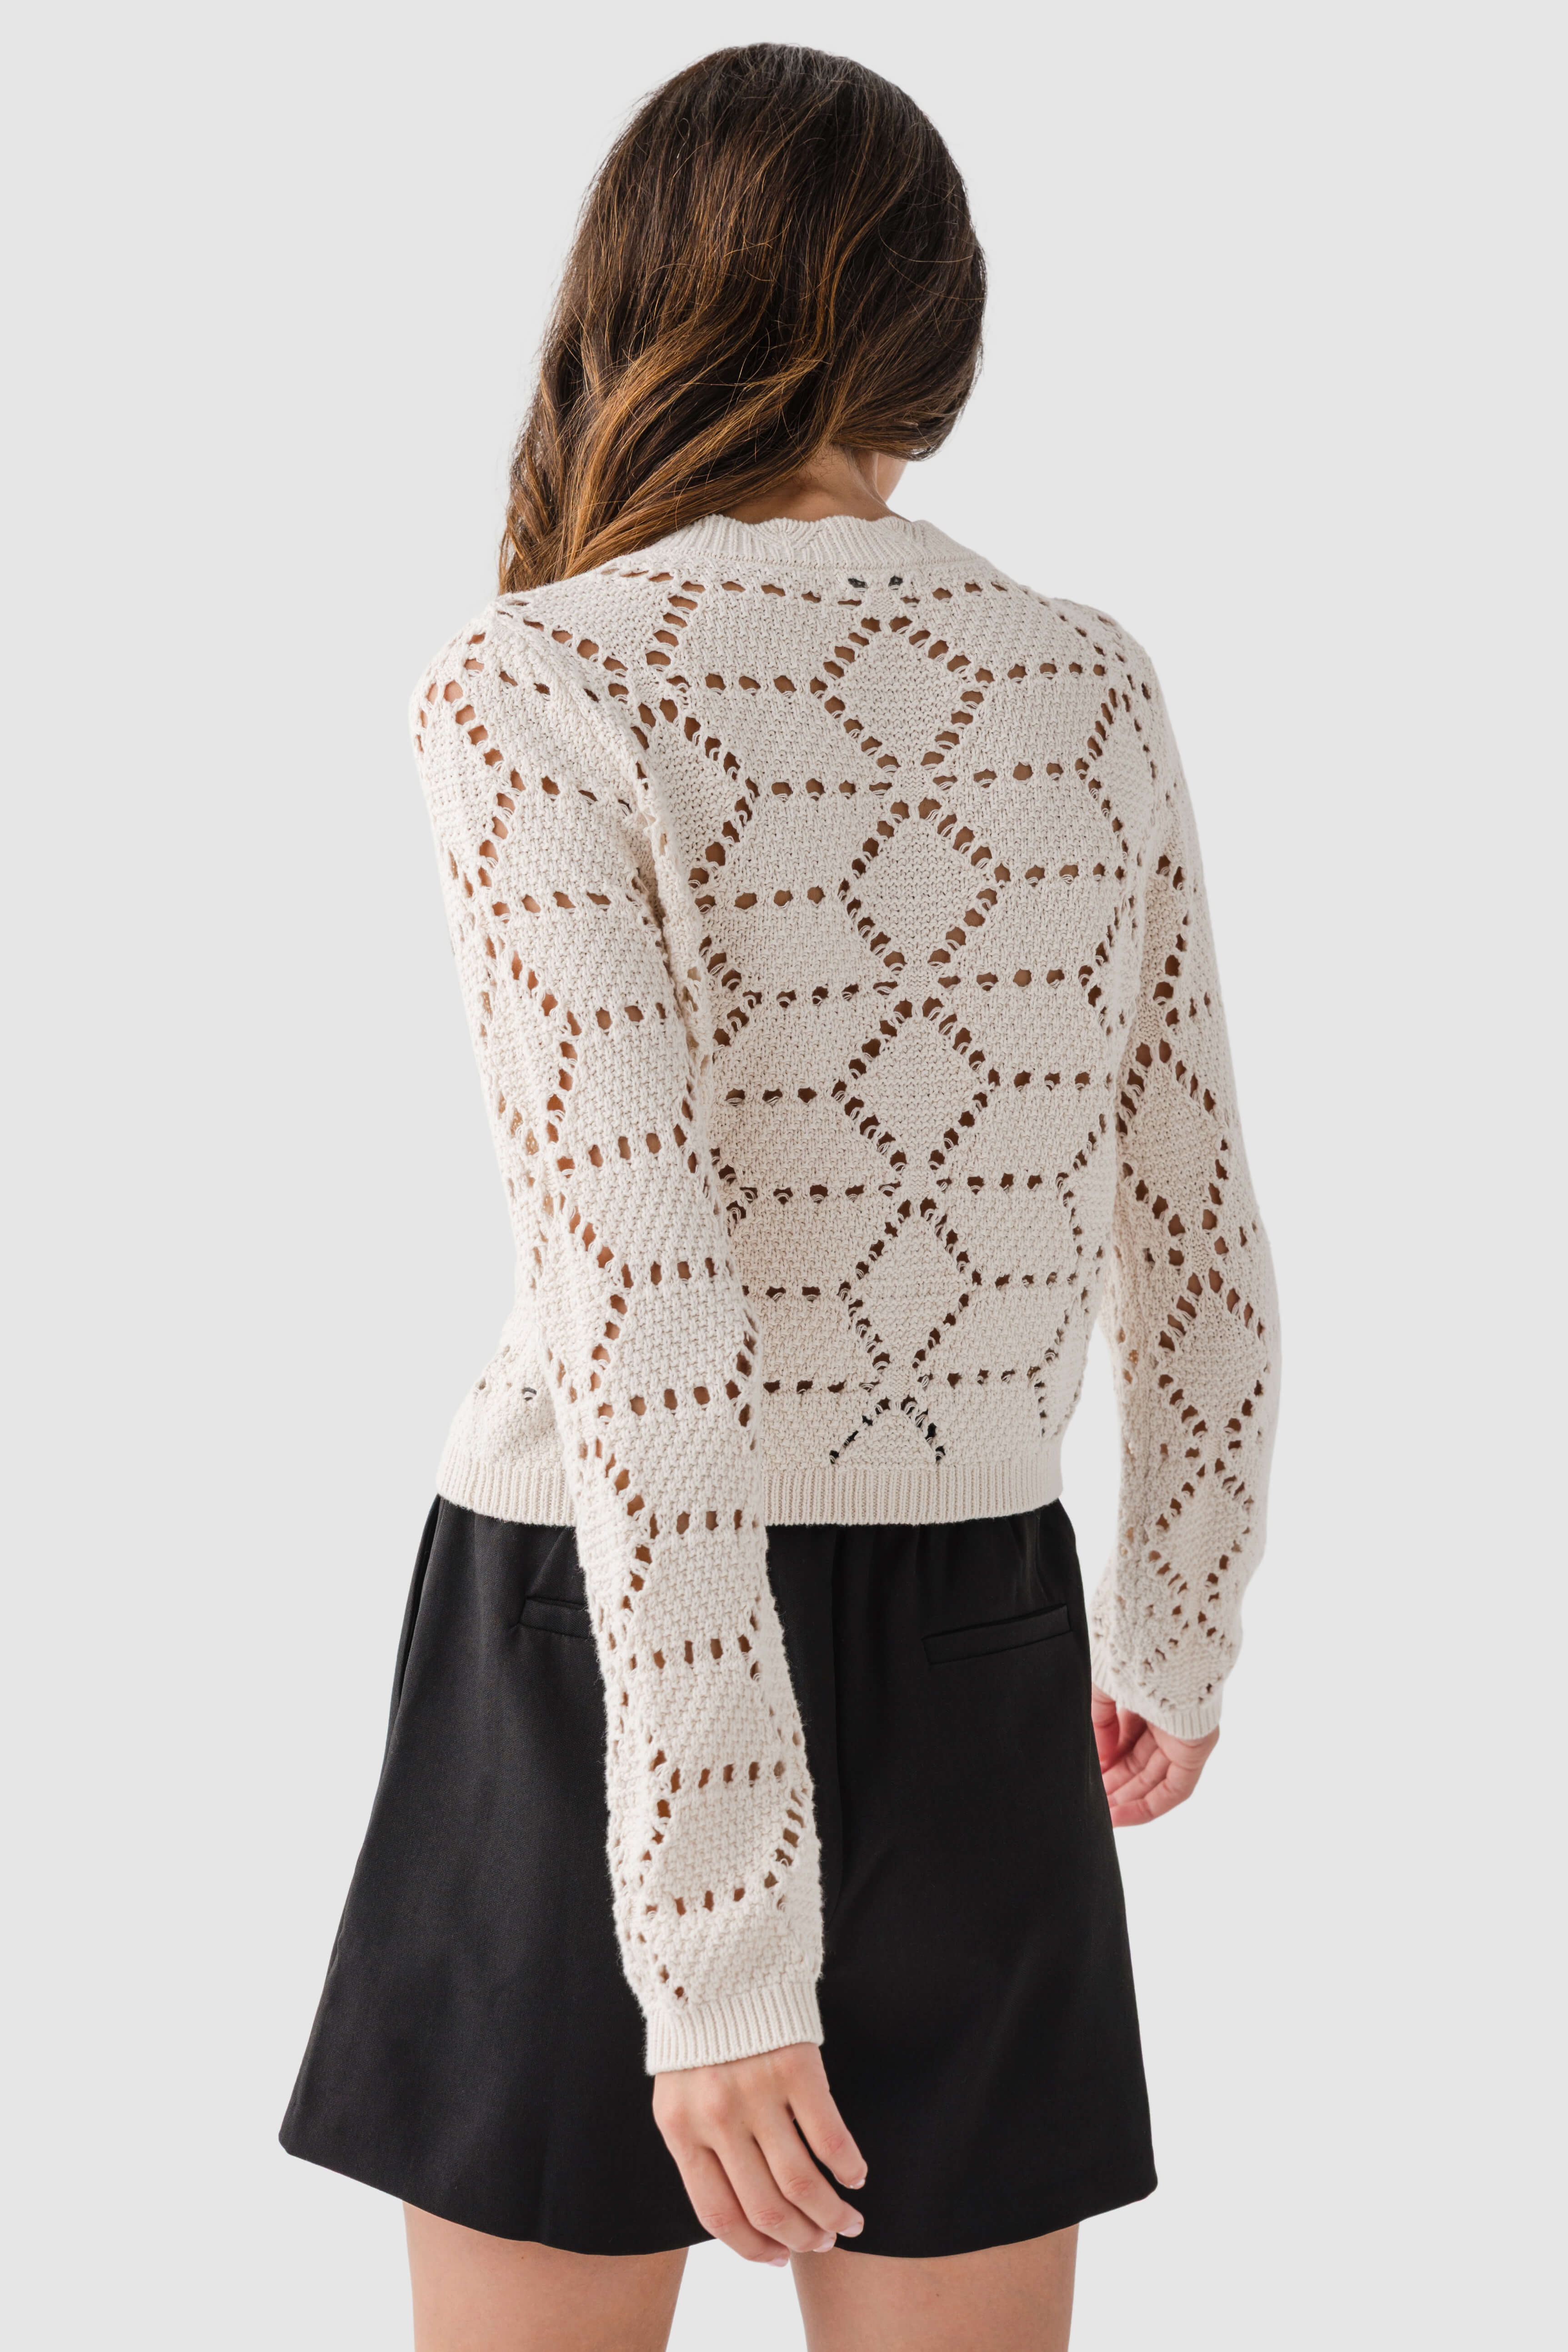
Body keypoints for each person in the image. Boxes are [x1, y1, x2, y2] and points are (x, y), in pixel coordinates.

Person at [281, 42, 1280, 2352]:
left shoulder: (536, 679)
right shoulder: (1084, 684)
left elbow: (644, 1320)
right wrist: (1170, 1627)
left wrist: (710, 1940)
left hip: (594, 1649)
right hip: (979, 1632)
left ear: (634, 299)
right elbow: (1199, 1246)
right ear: (937, 331)